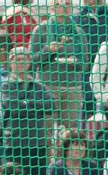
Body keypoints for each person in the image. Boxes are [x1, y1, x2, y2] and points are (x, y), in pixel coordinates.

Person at [0, 46, 55, 175]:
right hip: (15, 142)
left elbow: (50, 106)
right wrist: (36, 105)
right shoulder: (7, 85)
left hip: (37, 142)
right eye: (17, 59)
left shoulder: (38, 85)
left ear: (29, 62)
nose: (20, 62)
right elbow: (14, 107)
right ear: (10, 63)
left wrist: (27, 103)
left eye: (23, 59)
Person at [30, 0, 88, 133]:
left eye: (67, 4)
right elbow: (32, 61)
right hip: (47, 87)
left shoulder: (79, 32)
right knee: (46, 132)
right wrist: (48, 50)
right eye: (58, 4)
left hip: (72, 88)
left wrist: (76, 62)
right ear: (51, 7)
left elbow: (85, 63)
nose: (64, 7)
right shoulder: (41, 30)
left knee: (70, 133)